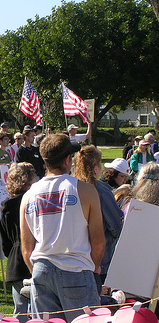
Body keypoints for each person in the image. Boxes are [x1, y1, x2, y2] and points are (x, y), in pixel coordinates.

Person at [20, 134, 105, 323]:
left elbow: (26, 250)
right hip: (76, 269)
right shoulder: (85, 190)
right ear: (68, 160)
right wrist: (92, 266)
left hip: (41, 270)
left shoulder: (28, 196)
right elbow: (98, 243)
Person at [73, 145, 123, 284]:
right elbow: (116, 226)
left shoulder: (69, 187)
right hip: (99, 261)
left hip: (72, 258)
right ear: (96, 168)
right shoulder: (101, 191)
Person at [0, 162, 36, 323]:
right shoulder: (33, 203)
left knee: (20, 311)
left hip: (16, 260)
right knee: (39, 310)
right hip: (34, 256)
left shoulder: (6, 209)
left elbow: (5, 242)